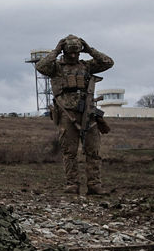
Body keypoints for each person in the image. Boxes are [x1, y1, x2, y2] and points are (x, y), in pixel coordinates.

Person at [35, 34, 113, 195]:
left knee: (93, 151)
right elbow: (40, 66)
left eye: (76, 52)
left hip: (88, 114)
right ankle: (72, 184)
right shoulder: (56, 68)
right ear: (64, 51)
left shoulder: (86, 66)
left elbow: (108, 62)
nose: (73, 55)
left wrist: (90, 50)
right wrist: (56, 51)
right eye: (70, 52)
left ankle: (94, 185)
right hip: (66, 115)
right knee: (69, 152)